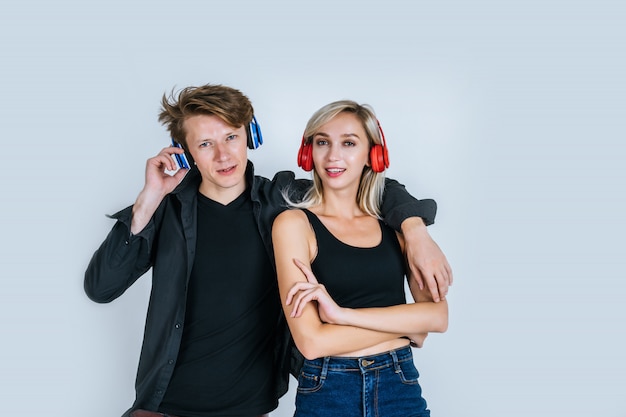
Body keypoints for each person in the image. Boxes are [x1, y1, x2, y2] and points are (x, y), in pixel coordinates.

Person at [84, 84, 451, 417]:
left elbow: (360, 184)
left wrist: (415, 230)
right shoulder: (166, 210)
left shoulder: (281, 200)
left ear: (251, 135)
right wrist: (147, 199)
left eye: (231, 137)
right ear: (187, 152)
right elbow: (100, 288)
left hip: (251, 407)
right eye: (205, 144)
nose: (223, 155)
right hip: (164, 406)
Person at [272, 100, 449, 417]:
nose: (333, 155)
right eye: (322, 142)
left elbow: (437, 318)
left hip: (400, 387)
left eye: (349, 143)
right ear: (308, 152)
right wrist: (407, 325)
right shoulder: (293, 224)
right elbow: (311, 342)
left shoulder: (396, 225)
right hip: (329, 389)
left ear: (374, 154)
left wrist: (341, 316)